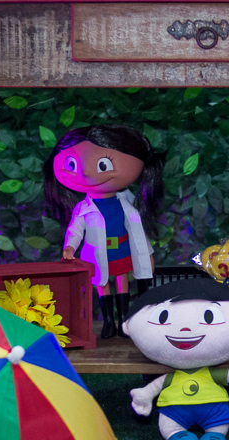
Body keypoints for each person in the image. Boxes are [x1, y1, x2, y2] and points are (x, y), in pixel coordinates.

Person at [43, 124, 165, 338]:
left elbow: (138, 232)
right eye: (71, 164)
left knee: (122, 284)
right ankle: (109, 320)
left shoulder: (127, 202)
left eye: (103, 164)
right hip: (96, 254)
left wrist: (148, 254)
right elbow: (75, 230)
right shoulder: (83, 208)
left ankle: (125, 320)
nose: (86, 172)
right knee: (102, 284)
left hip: (122, 251)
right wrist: (70, 246)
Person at [122, 279, 229, 440]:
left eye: (210, 317)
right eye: (162, 318)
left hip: (213, 411)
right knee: (170, 425)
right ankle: (175, 434)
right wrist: (145, 394)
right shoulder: (172, 376)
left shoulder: (208, 373)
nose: (185, 329)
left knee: (217, 425)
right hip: (174, 412)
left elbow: (225, 375)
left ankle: (215, 435)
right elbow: (157, 386)